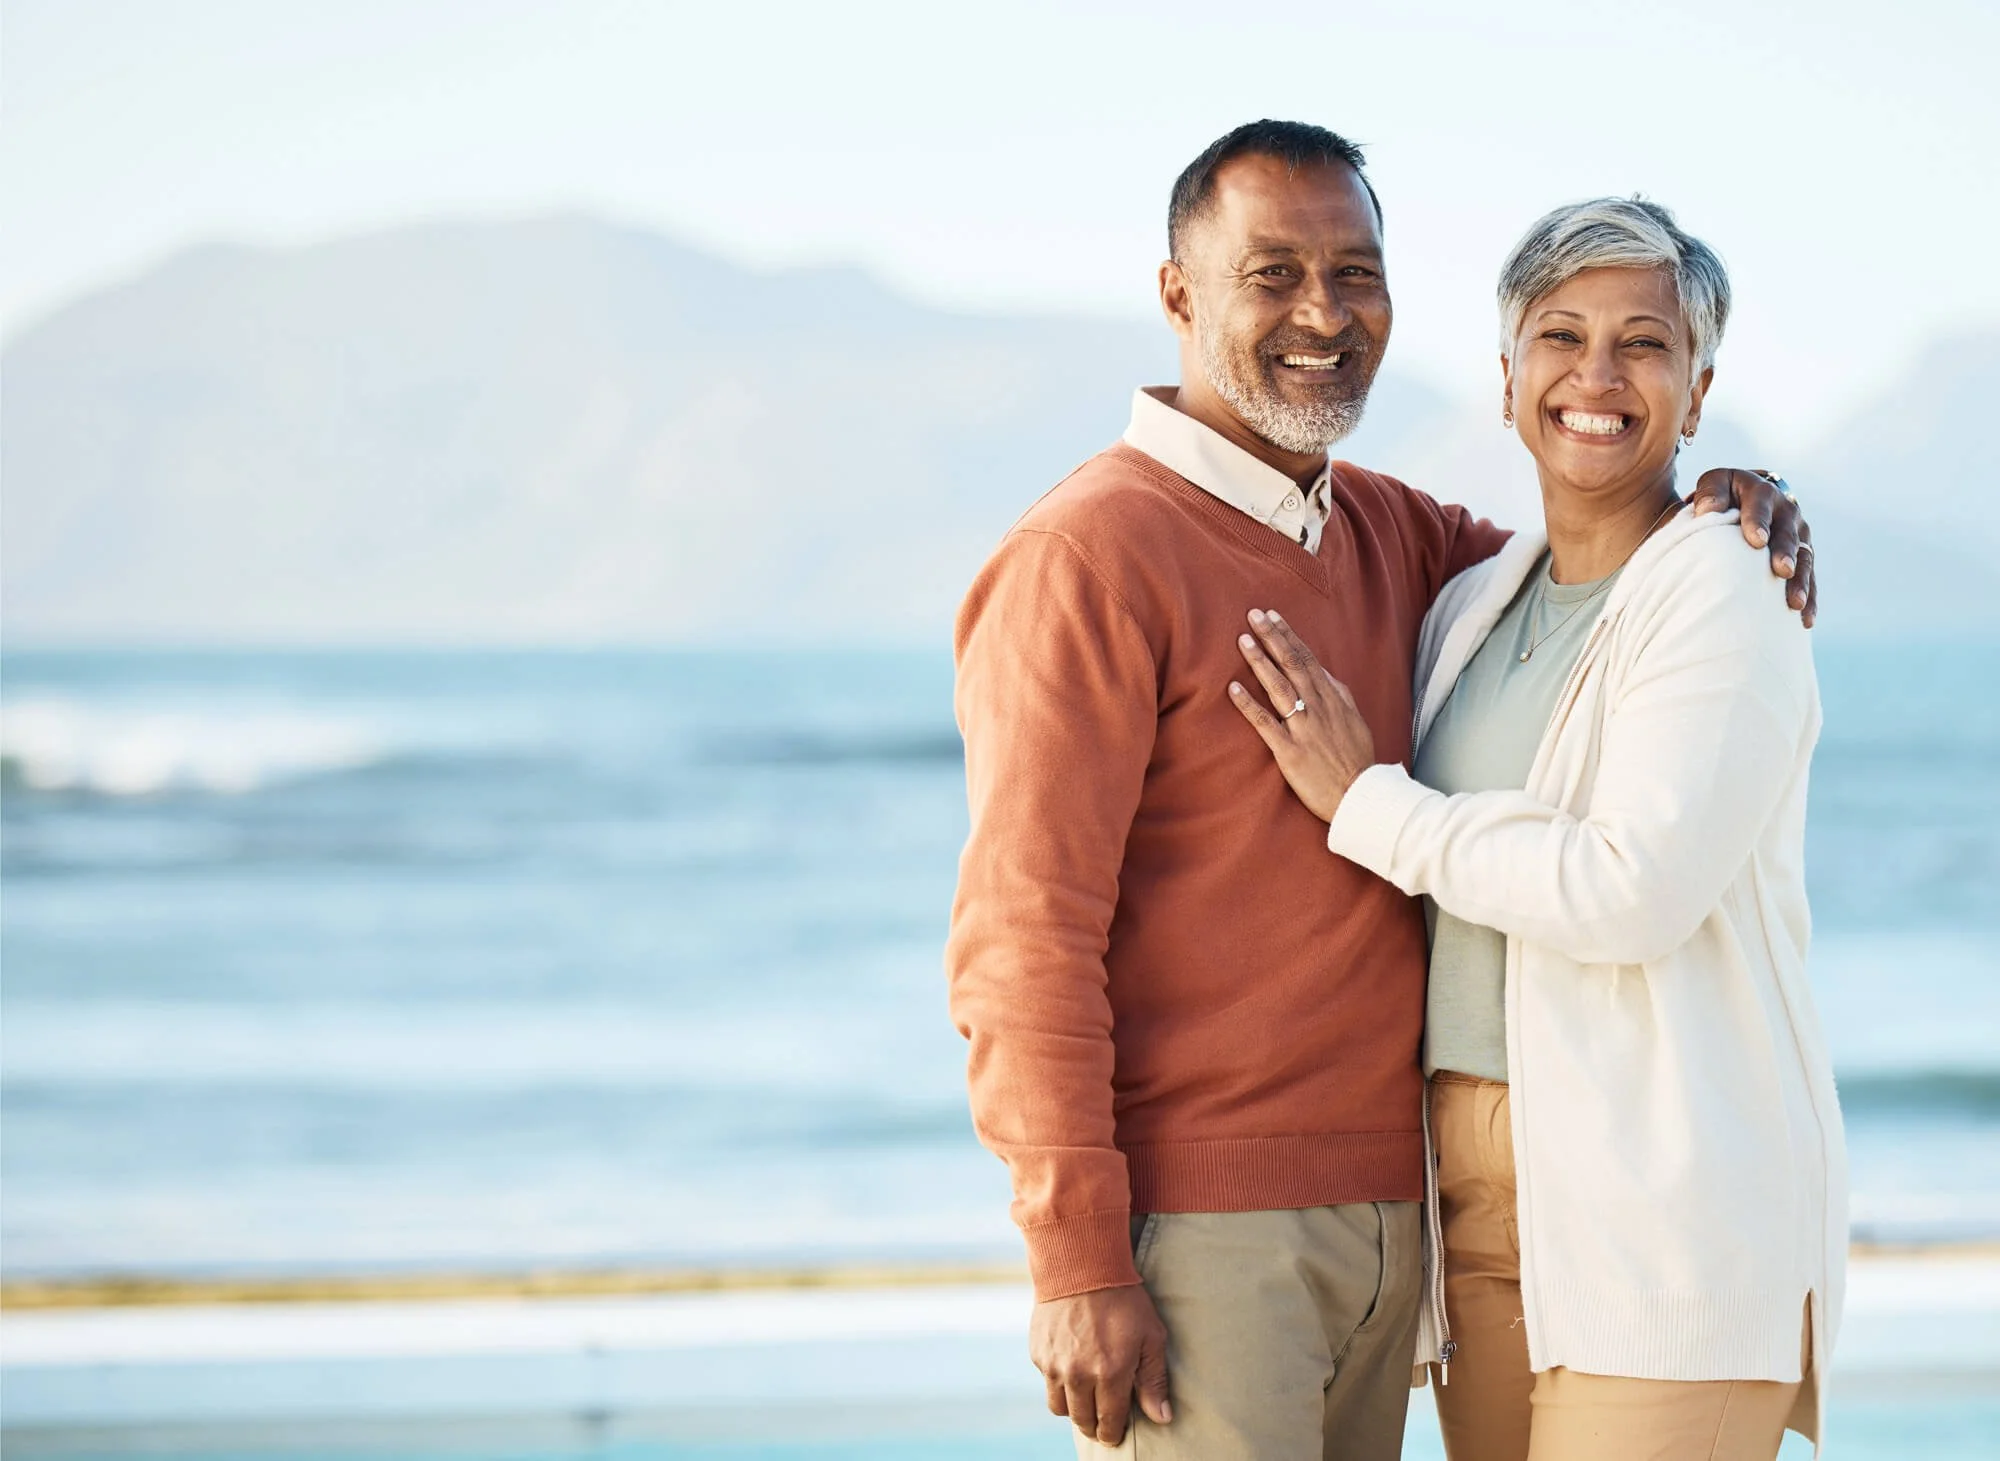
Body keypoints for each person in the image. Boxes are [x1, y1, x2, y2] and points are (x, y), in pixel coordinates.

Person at [946, 121, 1816, 1461]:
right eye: (1272, 273)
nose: (1322, 314)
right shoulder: (1087, 556)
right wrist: (1074, 1258)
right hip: (1204, 1233)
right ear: (1178, 293)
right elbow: (1022, 940)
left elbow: (1593, 564)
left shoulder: (1403, 543)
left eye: (1357, 274)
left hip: (1412, 1234)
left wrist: (1731, 495)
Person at [1228, 197, 1843, 1461]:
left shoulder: (1724, 582)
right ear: (1506, 378)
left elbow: (1631, 890)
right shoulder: (1468, 605)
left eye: (1645, 344)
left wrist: (1367, 807)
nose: (1597, 377)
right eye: (1560, 337)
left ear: (1698, 383)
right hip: (1475, 1210)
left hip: (1657, 1204)